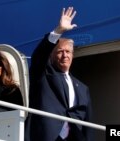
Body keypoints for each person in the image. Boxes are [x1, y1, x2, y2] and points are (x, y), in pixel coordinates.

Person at [25, 7, 93, 141]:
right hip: (46, 136)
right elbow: (39, 56)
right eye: (60, 51)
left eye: (68, 52)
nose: (64, 55)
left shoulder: (82, 88)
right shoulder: (43, 74)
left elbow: (88, 122)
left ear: (72, 55)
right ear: (52, 56)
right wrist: (58, 31)